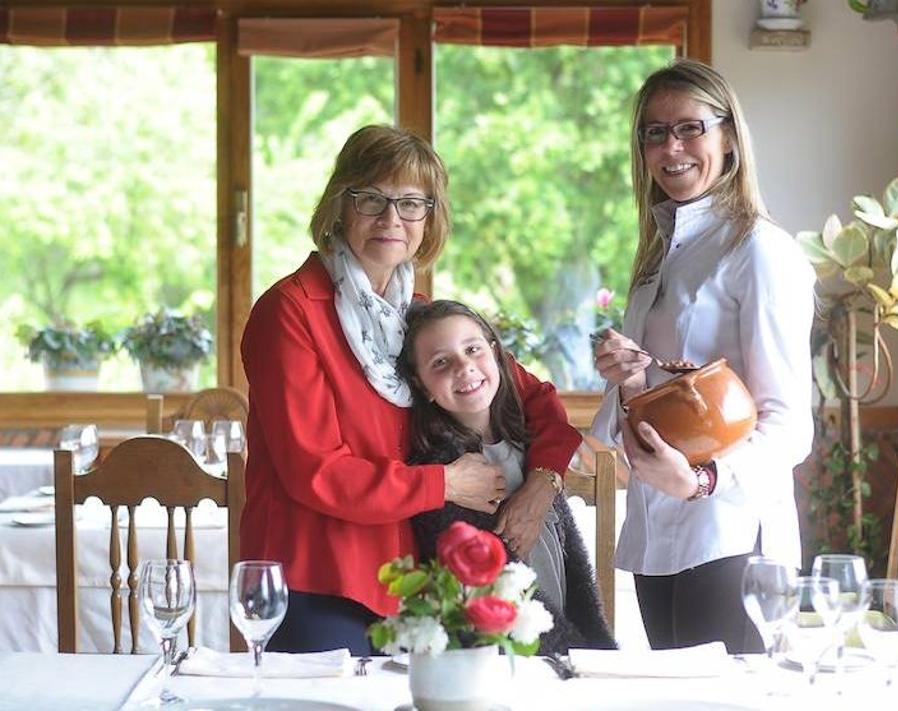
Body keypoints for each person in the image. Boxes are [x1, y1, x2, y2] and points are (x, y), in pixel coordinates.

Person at [240, 125, 580, 654]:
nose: (391, 219)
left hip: (415, 580)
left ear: (430, 218)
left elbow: (537, 401)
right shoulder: (290, 312)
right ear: (339, 206)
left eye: (411, 203)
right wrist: (442, 485)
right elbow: (314, 470)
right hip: (318, 574)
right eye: (372, 199)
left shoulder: (419, 316)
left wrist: (542, 484)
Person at [591, 59, 815, 653]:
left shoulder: (761, 252)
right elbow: (655, 406)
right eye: (655, 132)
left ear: (729, 138)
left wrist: (702, 480)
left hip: (733, 533)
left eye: (691, 128)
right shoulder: (657, 257)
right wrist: (629, 378)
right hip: (656, 533)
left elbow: (790, 427)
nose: (672, 147)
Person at [396, 299, 616, 653]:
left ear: (497, 355)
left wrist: (596, 650)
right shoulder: (445, 471)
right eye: (441, 362)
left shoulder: (531, 449)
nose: (464, 367)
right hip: (508, 657)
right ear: (422, 386)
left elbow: (572, 569)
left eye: (472, 349)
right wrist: (570, 656)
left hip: (566, 650)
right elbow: (492, 598)